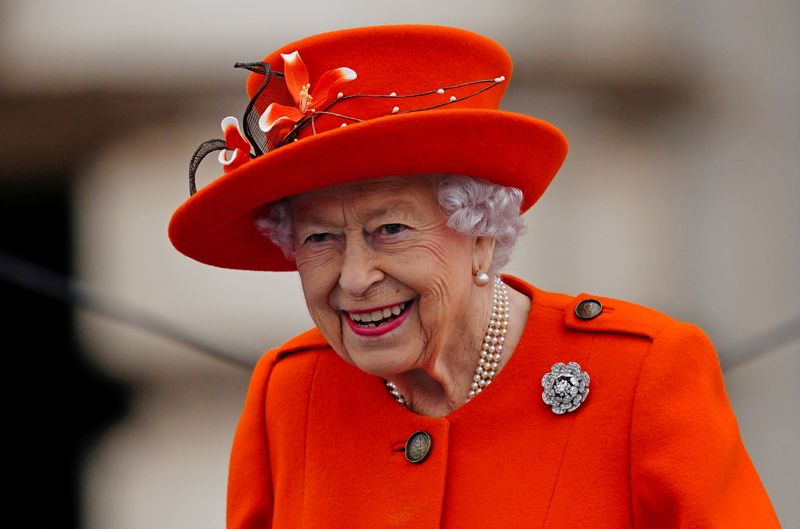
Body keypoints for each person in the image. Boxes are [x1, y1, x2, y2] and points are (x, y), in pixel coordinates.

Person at [168, 24, 781, 529]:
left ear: (482, 233)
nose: (354, 278)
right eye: (320, 238)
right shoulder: (288, 393)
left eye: (391, 231)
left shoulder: (642, 375)